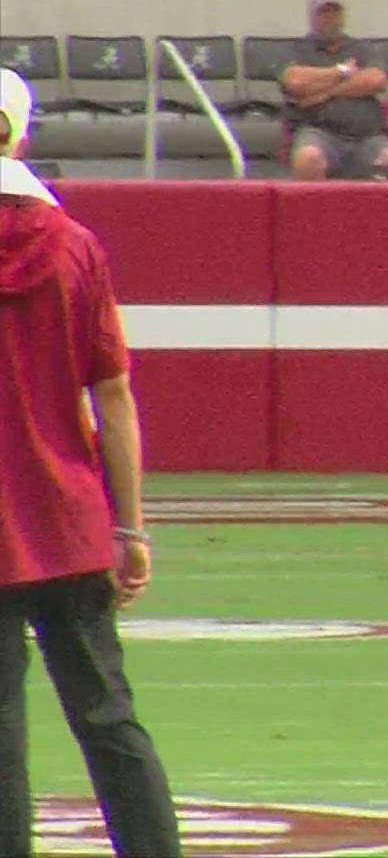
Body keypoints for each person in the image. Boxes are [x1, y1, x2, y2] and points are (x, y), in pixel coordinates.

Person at [2, 84, 181, 857]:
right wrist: (129, 525)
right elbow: (114, 395)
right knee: (108, 717)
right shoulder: (74, 245)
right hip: (69, 521)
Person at [280, 0, 388, 181]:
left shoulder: (361, 48)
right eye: (323, 13)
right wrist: (342, 72)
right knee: (308, 158)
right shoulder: (299, 49)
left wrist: (324, 93)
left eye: (335, 12)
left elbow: (376, 80)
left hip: (368, 136)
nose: (330, 18)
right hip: (318, 132)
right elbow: (295, 82)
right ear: (312, 18)